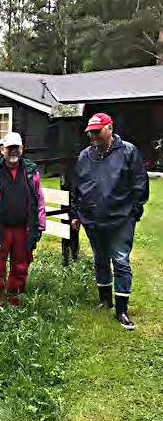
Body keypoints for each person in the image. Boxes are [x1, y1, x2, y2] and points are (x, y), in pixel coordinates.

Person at [71, 113, 149, 330]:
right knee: (100, 259)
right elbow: (77, 187)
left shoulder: (128, 152)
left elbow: (139, 184)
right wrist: (76, 215)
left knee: (121, 261)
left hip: (121, 219)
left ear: (110, 128)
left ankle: (121, 310)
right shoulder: (85, 156)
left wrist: (134, 212)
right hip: (93, 220)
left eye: (97, 131)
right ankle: (105, 301)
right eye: (90, 133)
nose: (93, 136)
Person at [0, 132, 46, 310]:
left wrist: (39, 226)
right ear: (2, 150)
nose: (13, 151)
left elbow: (39, 200)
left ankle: (14, 302)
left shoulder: (31, 172)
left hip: (24, 229)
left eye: (17, 148)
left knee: (21, 267)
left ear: (22, 149)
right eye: (10, 148)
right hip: (0, 229)